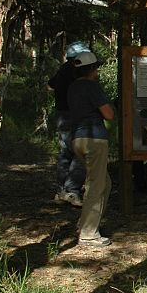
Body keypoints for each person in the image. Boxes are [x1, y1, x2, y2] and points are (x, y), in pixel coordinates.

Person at [66, 51, 115, 247]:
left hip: (77, 139)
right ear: (92, 69)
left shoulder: (72, 87)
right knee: (96, 185)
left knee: (104, 183)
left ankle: (84, 224)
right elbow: (108, 114)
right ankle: (88, 233)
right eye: (96, 68)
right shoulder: (92, 86)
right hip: (95, 139)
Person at [48, 41, 89, 207]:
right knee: (80, 153)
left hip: (61, 115)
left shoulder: (62, 70)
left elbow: (50, 85)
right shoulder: (75, 72)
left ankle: (61, 190)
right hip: (74, 116)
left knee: (65, 152)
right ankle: (72, 190)